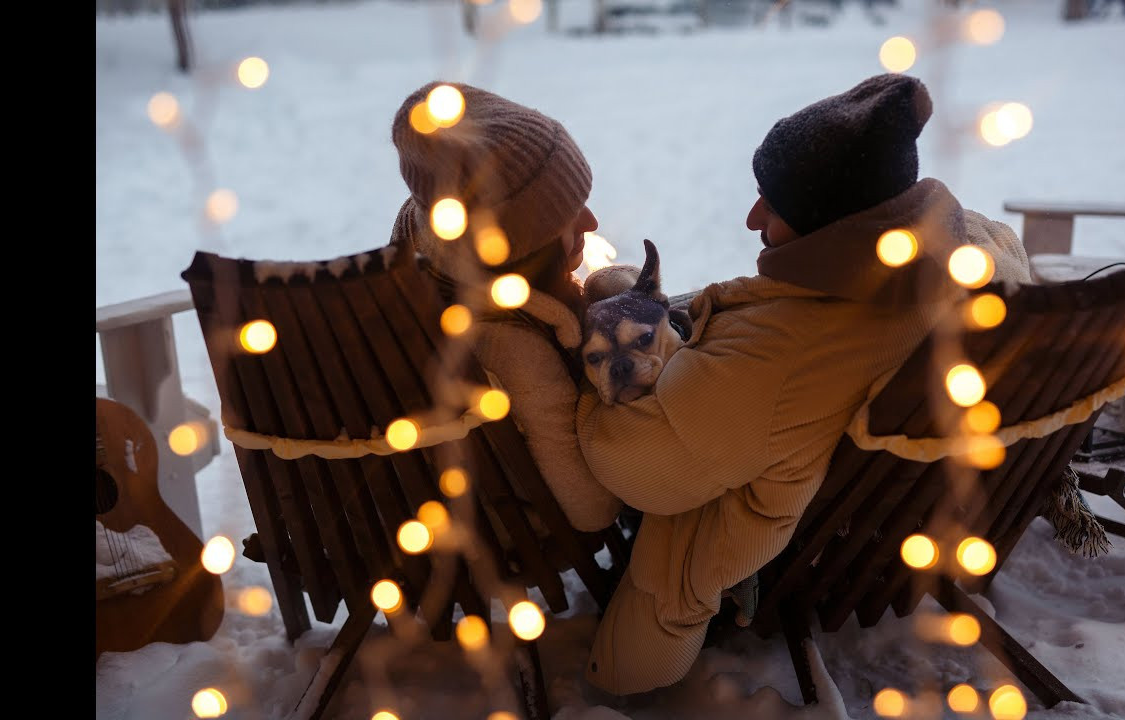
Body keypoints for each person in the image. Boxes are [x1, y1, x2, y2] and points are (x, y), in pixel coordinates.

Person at [576, 73, 1031, 695]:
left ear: (832, 222)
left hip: (798, 548)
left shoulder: (783, 352)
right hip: (900, 507)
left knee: (627, 659)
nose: (751, 216)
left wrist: (577, 391)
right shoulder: (962, 259)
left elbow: (634, 466)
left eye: (774, 204)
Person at [388, 81, 622, 533]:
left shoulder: (429, 252)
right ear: (524, 245)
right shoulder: (515, 350)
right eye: (568, 214)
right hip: (508, 529)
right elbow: (591, 510)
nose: (591, 221)